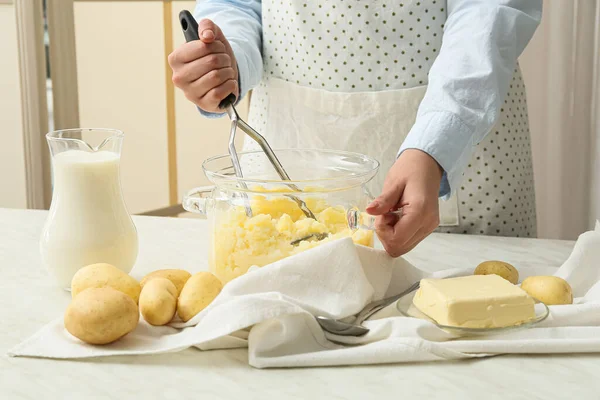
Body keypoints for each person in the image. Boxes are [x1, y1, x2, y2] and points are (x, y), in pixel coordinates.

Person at [169, 0, 542, 257]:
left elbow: (488, 11)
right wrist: (224, 62)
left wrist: (437, 142)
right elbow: (235, 4)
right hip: (291, 142)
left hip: (460, 140)